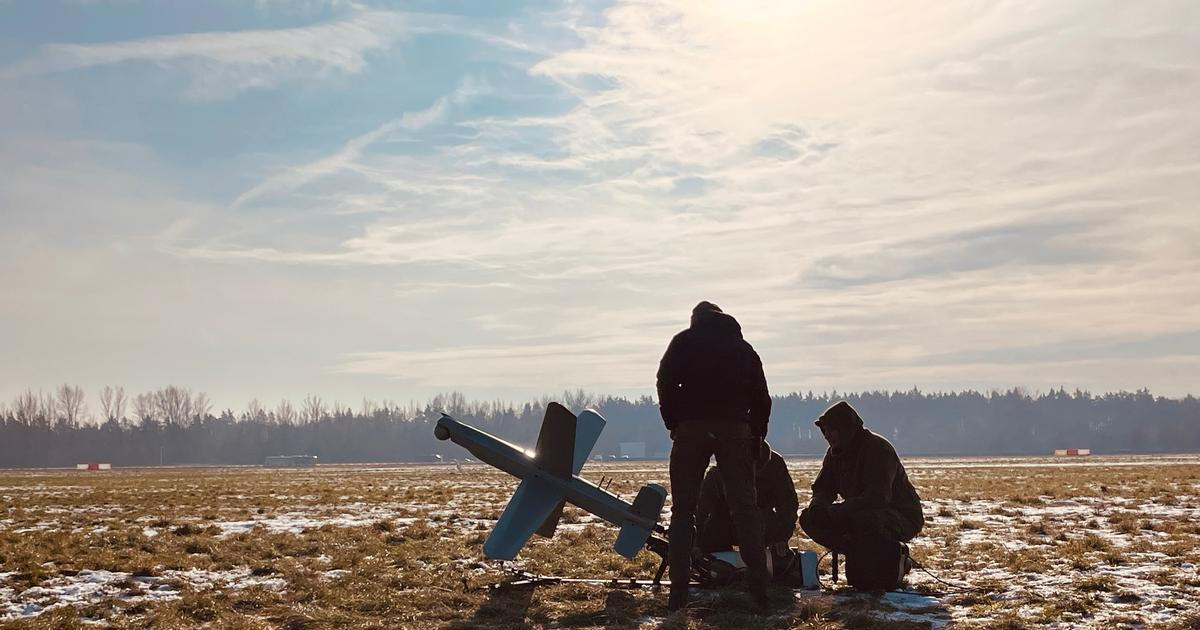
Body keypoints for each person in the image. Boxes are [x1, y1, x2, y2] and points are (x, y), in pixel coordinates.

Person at [657, 301, 772, 611]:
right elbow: (762, 396)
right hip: (735, 429)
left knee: (683, 511)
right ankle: (760, 589)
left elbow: (664, 381)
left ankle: (678, 592)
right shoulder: (742, 348)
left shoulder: (683, 341)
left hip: (690, 429)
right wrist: (756, 433)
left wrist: (674, 422)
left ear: (696, 319)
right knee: (745, 509)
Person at [799, 401, 923, 589]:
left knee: (866, 519)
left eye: (831, 430)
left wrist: (837, 512)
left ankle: (895, 558)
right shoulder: (835, 454)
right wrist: (818, 507)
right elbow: (824, 488)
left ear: (846, 429)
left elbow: (878, 497)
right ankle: (857, 553)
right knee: (810, 518)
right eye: (824, 431)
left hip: (899, 515)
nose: (827, 436)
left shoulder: (877, 449)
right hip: (858, 513)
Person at [695, 440, 799, 567]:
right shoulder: (720, 471)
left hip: (762, 523)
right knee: (711, 535)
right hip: (725, 523)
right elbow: (701, 509)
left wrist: (781, 537)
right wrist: (697, 543)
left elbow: (788, 504)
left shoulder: (775, 465)